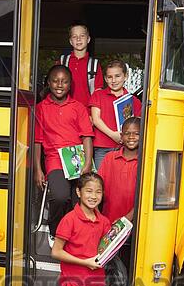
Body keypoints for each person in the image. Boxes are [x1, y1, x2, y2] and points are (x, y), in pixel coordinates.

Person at [34, 64, 94, 243]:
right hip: (55, 160)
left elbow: (87, 137)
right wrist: (38, 169)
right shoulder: (41, 108)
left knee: (80, 200)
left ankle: (74, 234)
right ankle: (56, 232)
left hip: (77, 159)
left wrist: (87, 164)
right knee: (60, 196)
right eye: (55, 81)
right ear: (48, 83)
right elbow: (37, 141)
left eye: (64, 81)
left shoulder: (78, 107)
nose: (59, 85)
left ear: (70, 85)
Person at [89, 60, 142, 169]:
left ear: (125, 76)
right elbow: (96, 119)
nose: (114, 80)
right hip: (102, 147)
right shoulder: (98, 95)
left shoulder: (133, 100)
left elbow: (137, 124)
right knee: (101, 180)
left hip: (125, 148)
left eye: (117, 76)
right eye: (109, 77)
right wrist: (113, 134)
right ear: (105, 78)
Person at [98, 117, 140, 223]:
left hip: (135, 223)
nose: (131, 137)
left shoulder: (145, 162)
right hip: (108, 221)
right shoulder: (109, 158)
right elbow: (98, 188)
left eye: (136, 134)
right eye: (127, 133)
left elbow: (145, 198)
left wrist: (127, 219)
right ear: (121, 136)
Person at [59, 23, 104, 110]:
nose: (78, 39)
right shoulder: (63, 61)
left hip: (87, 114)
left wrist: (93, 115)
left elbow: (98, 94)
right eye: (74, 36)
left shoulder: (94, 64)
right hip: (64, 112)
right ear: (71, 41)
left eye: (82, 36)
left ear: (88, 39)